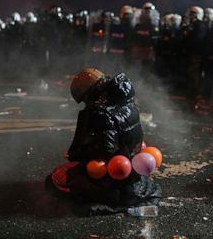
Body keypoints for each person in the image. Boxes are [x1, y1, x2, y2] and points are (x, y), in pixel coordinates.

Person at [45, 68, 161, 212]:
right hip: (133, 171)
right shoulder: (126, 99)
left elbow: (107, 150)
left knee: (58, 177)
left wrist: (79, 154)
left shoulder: (101, 113)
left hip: (114, 176)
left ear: (89, 94)